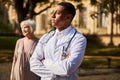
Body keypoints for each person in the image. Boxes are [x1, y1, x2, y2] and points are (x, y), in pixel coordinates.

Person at [30, 2, 87, 80]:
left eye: (57, 13)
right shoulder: (46, 37)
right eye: (52, 12)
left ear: (68, 17)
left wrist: (44, 61)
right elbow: (33, 64)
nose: (52, 16)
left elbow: (67, 68)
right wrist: (53, 76)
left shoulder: (78, 39)